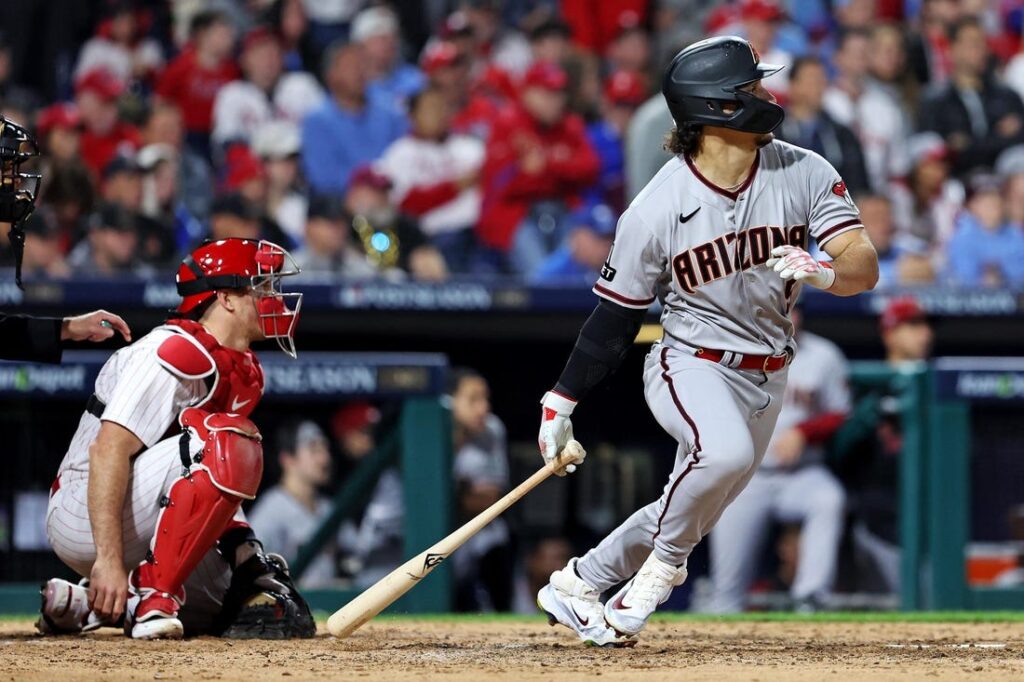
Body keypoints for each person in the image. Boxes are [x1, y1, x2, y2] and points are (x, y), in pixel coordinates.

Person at [534, 36, 878, 647]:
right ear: (717, 107)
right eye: (751, 89)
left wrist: (826, 271)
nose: (767, 96)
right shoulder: (655, 207)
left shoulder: (803, 169)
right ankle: (663, 570)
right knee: (720, 459)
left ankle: (580, 581)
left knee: (693, 502)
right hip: (689, 360)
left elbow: (864, 264)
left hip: (769, 372)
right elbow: (613, 319)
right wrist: (561, 400)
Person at [38, 238, 314, 640]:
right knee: (227, 441)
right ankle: (153, 596)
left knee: (242, 609)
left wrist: (245, 553)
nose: (273, 297)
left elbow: (210, 488)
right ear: (227, 298)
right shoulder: (173, 351)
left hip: (141, 510)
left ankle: (91, 607)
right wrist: (109, 561)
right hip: (82, 512)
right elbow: (108, 450)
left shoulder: (238, 369)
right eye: (262, 286)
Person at [709, 306, 850, 613]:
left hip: (802, 473)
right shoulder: (732, 351)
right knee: (726, 591)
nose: (791, 318)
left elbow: (841, 412)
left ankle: (811, 600)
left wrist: (805, 432)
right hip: (747, 478)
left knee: (828, 499)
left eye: (795, 310)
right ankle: (723, 612)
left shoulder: (823, 355)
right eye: (781, 310)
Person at [835, 297, 933, 593]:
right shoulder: (866, 386)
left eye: (925, 326)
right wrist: (862, 422)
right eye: (912, 325)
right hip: (876, 527)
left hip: (929, 530)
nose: (925, 333)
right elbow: (838, 457)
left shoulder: (938, 389)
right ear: (889, 333)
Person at [476, 61, 599, 273]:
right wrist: (560, 167)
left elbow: (590, 168)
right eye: (547, 93)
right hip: (518, 216)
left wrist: (547, 164)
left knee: (576, 272)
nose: (556, 101)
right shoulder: (507, 123)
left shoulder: (570, 125)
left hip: (563, 211)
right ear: (527, 93)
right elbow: (504, 185)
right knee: (541, 279)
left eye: (559, 94)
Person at [376, 87, 484, 272]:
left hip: (479, 235)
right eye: (431, 108)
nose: (439, 114)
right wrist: (454, 186)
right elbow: (405, 205)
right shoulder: (401, 153)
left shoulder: (470, 148)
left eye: (443, 107)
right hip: (432, 238)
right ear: (412, 115)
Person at [918, 17, 1024, 176]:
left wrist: (968, 144)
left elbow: (1018, 143)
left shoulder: (1008, 96)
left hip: (1005, 182)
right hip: (955, 183)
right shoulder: (935, 101)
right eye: (973, 43)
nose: (982, 50)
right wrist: (998, 136)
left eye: (984, 43)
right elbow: (940, 154)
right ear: (952, 49)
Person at [301, 41, 408, 194]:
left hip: (392, 193)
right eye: (350, 66)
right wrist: (370, 183)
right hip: (344, 204)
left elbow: (405, 155)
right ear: (331, 75)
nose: (359, 71)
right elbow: (323, 178)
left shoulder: (390, 111)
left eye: (362, 64)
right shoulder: (317, 121)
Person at [448, 368, 512, 612]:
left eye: (485, 399)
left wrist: (455, 494)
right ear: (448, 401)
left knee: (494, 539)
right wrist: (461, 492)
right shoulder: (425, 427)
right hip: (420, 537)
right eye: (473, 399)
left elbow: (489, 499)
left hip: (475, 534)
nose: (483, 408)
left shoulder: (491, 430)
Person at [248, 421, 338, 588]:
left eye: (325, 449)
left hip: (330, 608)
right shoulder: (272, 509)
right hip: (289, 609)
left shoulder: (327, 507)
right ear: (288, 459)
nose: (325, 458)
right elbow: (248, 569)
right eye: (314, 450)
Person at [822, 29, 910, 193]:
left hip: (876, 196)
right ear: (837, 57)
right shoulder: (824, 103)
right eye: (854, 52)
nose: (860, 58)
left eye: (865, 53)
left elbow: (898, 169)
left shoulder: (886, 106)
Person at [211, 26, 323, 149]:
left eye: (274, 53)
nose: (268, 60)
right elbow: (226, 145)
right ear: (244, 61)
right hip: (251, 165)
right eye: (260, 55)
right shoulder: (231, 94)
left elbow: (323, 132)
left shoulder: (303, 86)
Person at [776, 57, 870, 194]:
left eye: (822, 80)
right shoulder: (772, 132)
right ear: (792, 86)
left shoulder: (842, 135)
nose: (820, 86)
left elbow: (858, 185)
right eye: (813, 80)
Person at [155, 10, 239, 156]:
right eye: (221, 34)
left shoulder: (233, 70)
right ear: (202, 35)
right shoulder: (180, 67)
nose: (228, 40)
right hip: (187, 135)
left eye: (229, 35)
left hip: (217, 135)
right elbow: (160, 102)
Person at [344, 165, 449, 281]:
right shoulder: (340, 223)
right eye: (375, 192)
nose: (382, 198)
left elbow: (426, 257)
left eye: (385, 192)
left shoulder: (405, 225)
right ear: (355, 193)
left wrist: (426, 263)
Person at [945, 172, 1024, 288]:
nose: (992, 207)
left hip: (1012, 298)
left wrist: (1001, 273)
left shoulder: (1015, 235)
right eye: (985, 202)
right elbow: (963, 277)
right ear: (973, 205)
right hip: (969, 300)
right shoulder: (962, 237)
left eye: (996, 200)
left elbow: (1019, 274)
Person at [352, 6, 425, 109]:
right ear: (361, 46)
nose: (389, 44)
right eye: (381, 39)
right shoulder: (354, 85)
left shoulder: (415, 79)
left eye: (393, 38)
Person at [75, 68, 141, 179]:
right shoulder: (74, 141)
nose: (110, 111)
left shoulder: (130, 136)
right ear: (84, 104)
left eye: (114, 102)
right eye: (104, 103)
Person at [293, 194, 376, 278]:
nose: (339, 229)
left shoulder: (362, 271)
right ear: (309, 226)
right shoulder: (289, 269)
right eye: (331, 223)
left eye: (343, 222)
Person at [531, 202, 616, 284]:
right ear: (578, 237)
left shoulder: (619, 270)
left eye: (610, 238)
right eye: (599, 238)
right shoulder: (552, 276)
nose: (607, 245)